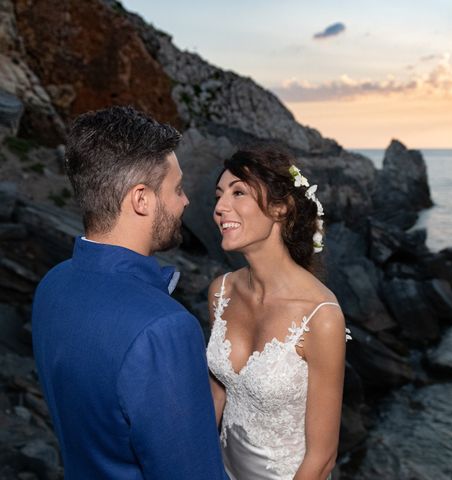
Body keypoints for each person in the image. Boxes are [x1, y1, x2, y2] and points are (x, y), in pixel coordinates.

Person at [31, 106, 227, 480]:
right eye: (177, 188)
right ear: (142, 199)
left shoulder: (51, 285)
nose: (185, 202)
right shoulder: (164, 327)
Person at [206, 146, 350, 480]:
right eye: (218, 195)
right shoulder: (221, 291)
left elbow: (323, 457)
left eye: (238, 192)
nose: (219, 208)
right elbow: (217, 392)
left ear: (280, 208)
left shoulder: (321, 316)